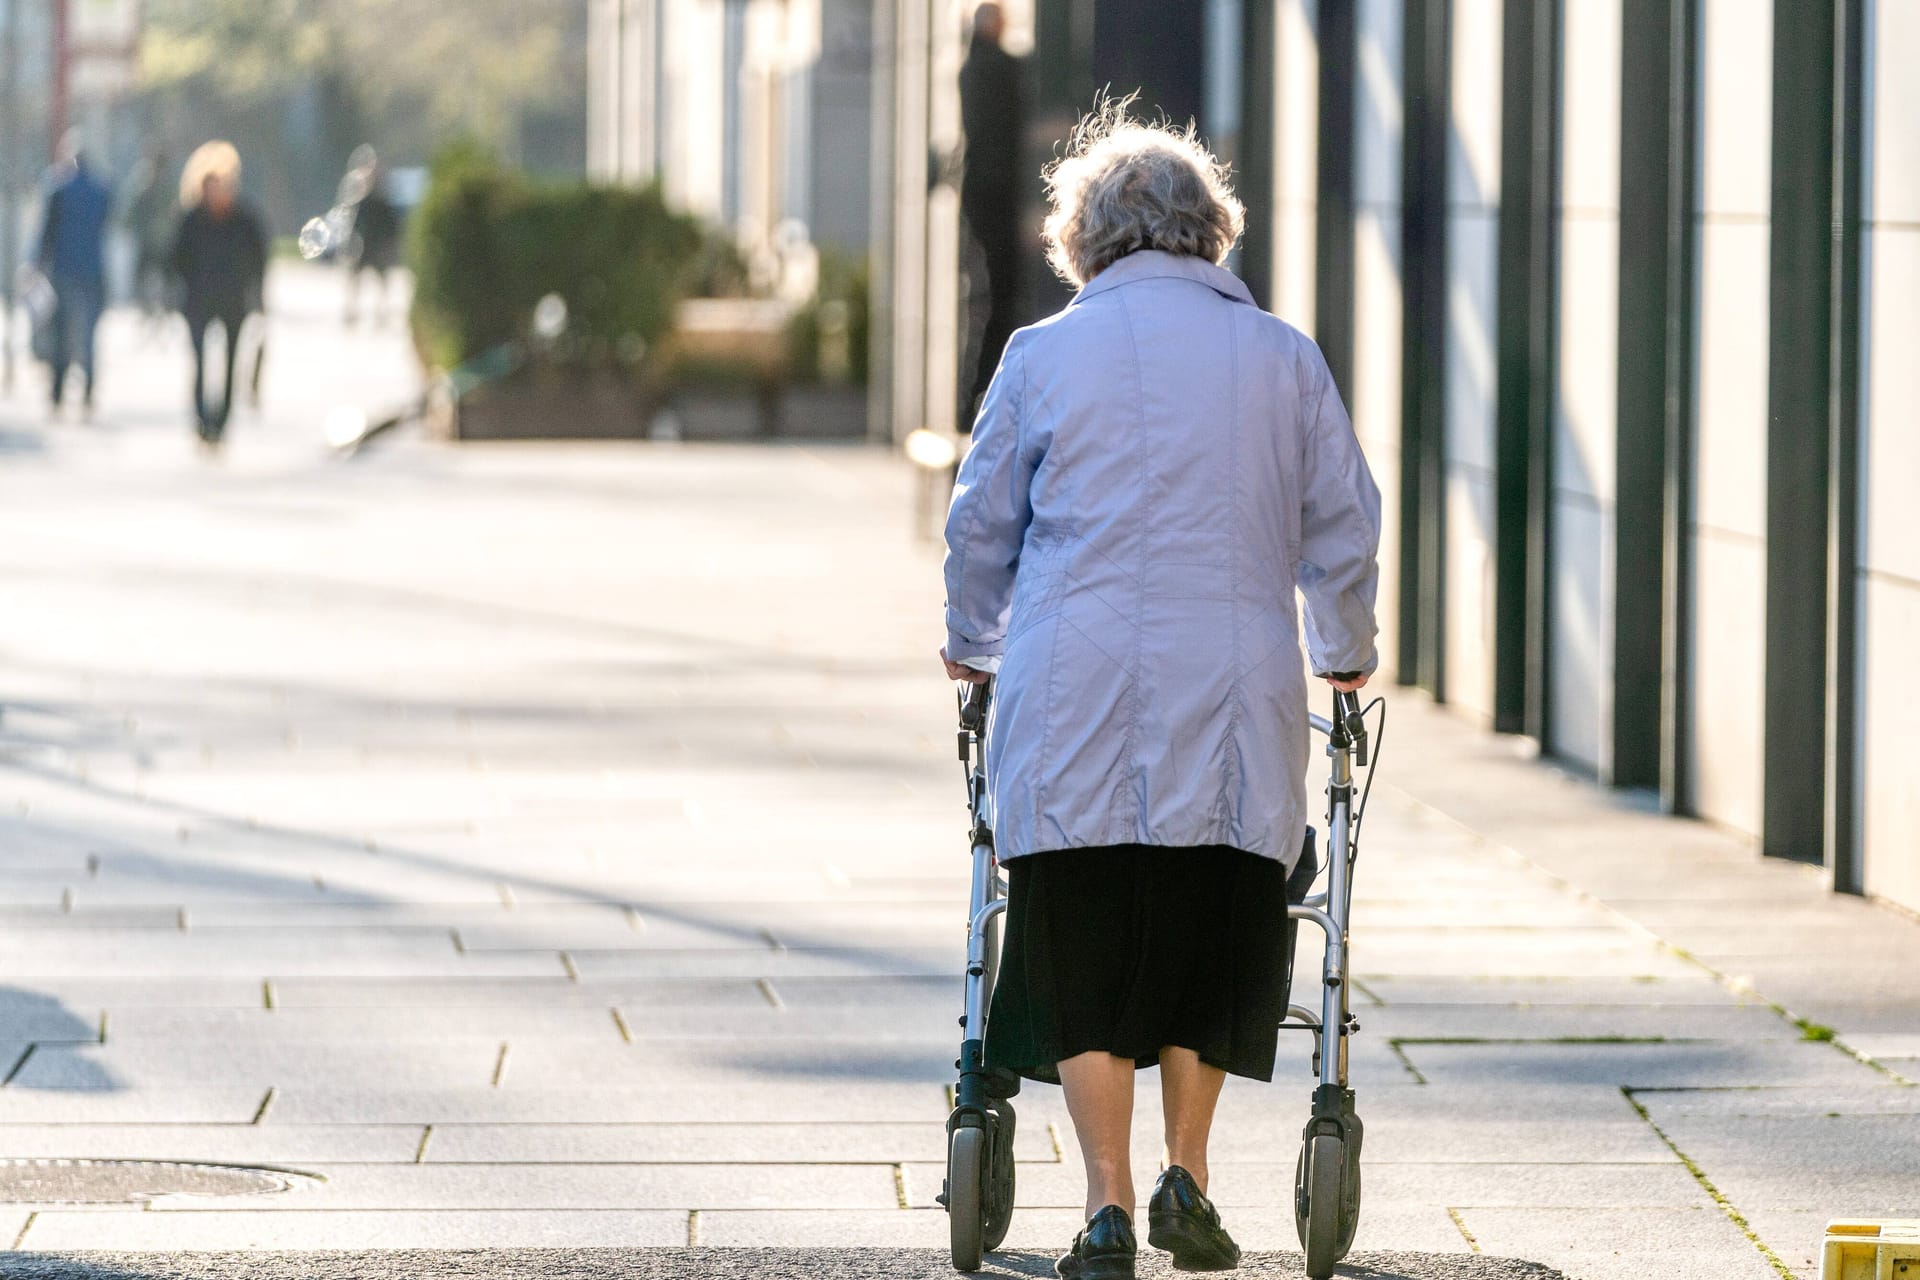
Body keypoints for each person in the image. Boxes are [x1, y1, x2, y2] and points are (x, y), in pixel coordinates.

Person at [939, 103, 1381, 1280]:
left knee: (1082, 931)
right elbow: (1341, 521)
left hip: (1075, 689)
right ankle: (1187, 1169)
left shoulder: (1042, 356)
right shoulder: (1284, 356)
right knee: (1208, 921)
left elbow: (981, 520)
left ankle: (1107, 1205)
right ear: (1213, 234)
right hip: (1235, 693)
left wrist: (968, 636)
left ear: (1084, 239)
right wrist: (1345, 642)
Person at [169, 142, 268, 446]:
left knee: (230, 362)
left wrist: (258, 296)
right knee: (199, 361)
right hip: (198, 300)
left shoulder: (244, 219)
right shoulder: (190, 220)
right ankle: (201, 417)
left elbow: (259, 259)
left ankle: (221, 421)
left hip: (233, 300)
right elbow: (175, 259)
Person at [957, 2, 1027, 423]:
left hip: (985, 199)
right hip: (994, 199)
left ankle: (972, 397)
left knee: (988, 299)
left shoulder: (974, 68)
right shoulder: (990, 69)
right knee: (998, 299)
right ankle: (975, 398)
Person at [34, 131, 111, 418]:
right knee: (88, 334)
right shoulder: (102, 190)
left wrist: (37, 265)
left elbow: (46, 233)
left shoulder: (56, 187)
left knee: (61, 334)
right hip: (92, 270)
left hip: (62, 270)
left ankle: (57, 393)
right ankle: (88, 391)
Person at [342, 148, 402, 326]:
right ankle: (352, 311)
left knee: (380, 281)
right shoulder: (364, 200)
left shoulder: (382, 202)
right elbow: (355, 224)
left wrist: (390, 243)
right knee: (356, 279)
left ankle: (380, 312)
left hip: (377, 246)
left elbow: (391, 226)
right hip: (365, 246)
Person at [122, 144, 177, 318]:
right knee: (142, 275)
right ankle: (147, 306)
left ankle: (163, 305)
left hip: (162, 239)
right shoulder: (144, 181)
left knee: (164, 275)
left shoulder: (164, 184)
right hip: (151, 238)